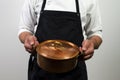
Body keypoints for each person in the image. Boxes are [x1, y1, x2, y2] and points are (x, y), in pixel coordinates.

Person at [18, 0, 103, 80]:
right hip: (40, 70)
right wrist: (27, 38)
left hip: (75, 71)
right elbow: (24, 29)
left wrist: (92, 43)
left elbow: (96, 33)